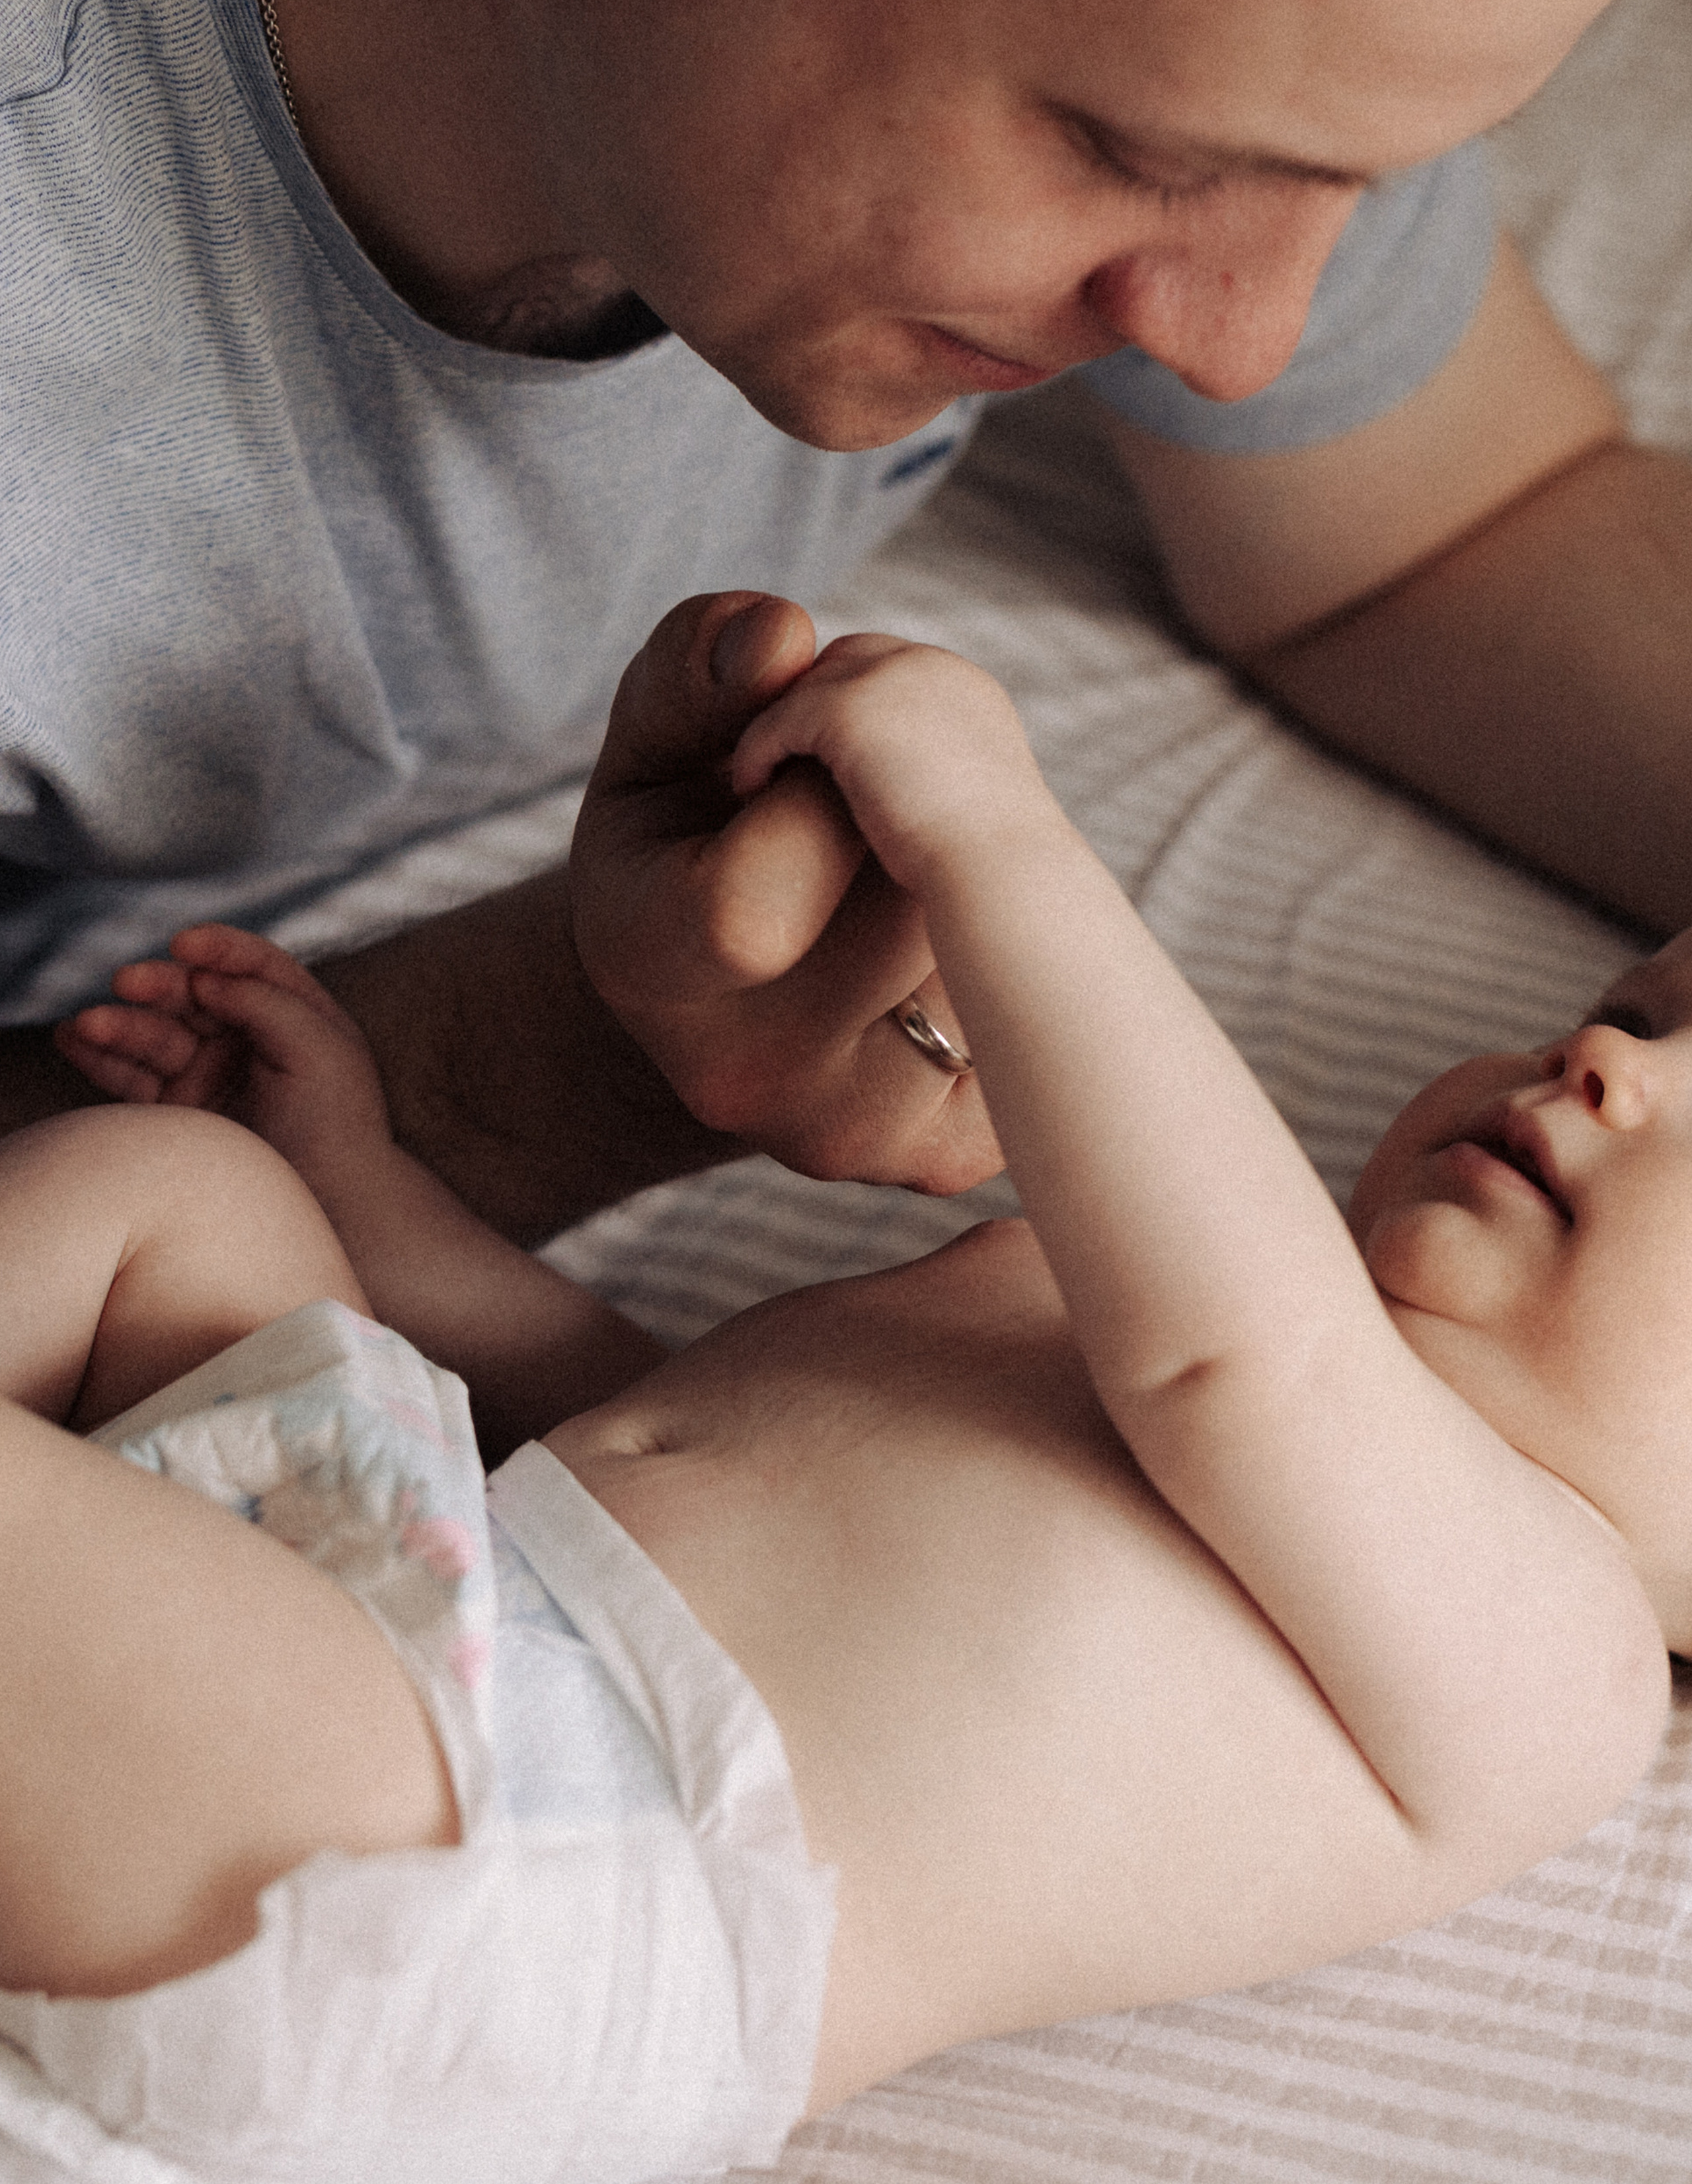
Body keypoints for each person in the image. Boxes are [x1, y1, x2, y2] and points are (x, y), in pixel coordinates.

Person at [9, 0, 1692, 1232]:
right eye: (1156, 158)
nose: (1243, 347)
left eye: (1366, 173)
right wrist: (553, 1052)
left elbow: (1451, 522)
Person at [3, 590, 1677, 2179]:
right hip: (434, 1611)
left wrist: (990, 839)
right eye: (1627, 1009)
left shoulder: (1557, 1653)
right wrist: (360, 1190)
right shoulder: (1149, 1314)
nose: (1600, 1060)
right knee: (171, 1193)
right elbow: (649, 1420)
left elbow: (1240, 1363)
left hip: (501, 1873)